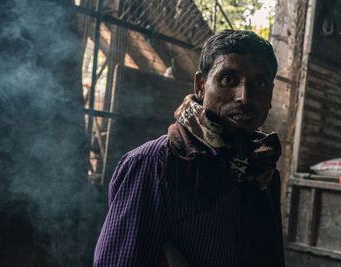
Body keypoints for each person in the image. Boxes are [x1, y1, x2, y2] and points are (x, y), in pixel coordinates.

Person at [94, 30, 285, 267]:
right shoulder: (155, 163)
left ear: (270, 95)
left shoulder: (264, 172)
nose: (244, 97)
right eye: (228, 79)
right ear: (201, 86)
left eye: (260, 83)